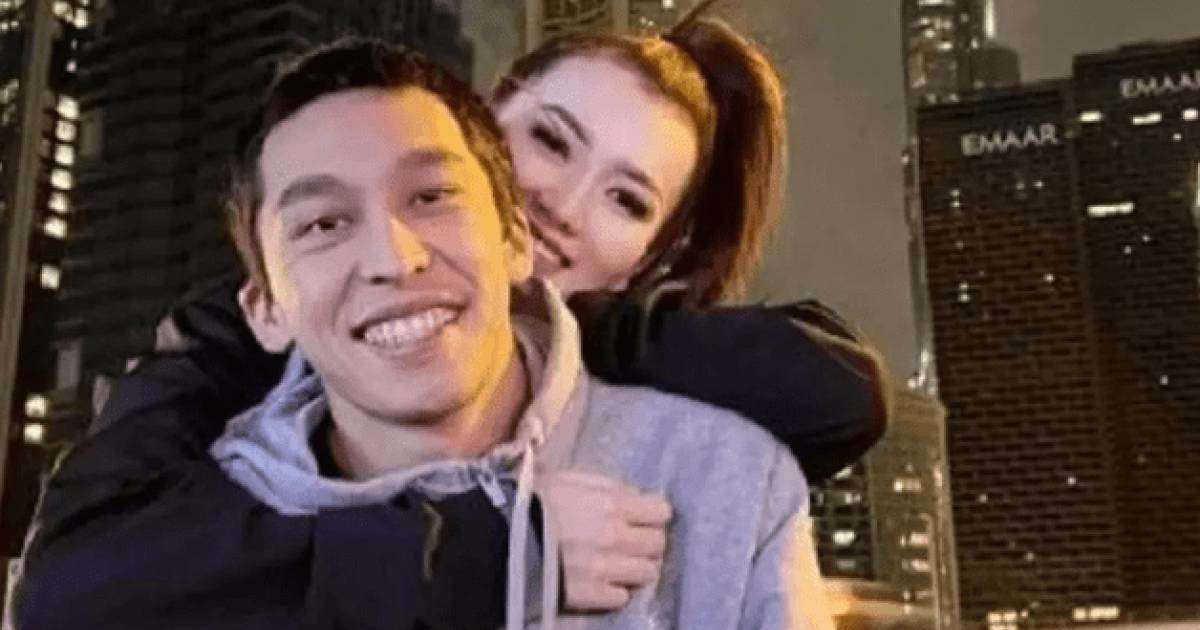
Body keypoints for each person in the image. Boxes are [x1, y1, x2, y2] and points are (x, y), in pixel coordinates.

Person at [23, 2, 881, 624]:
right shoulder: (228, 357)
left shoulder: (711, 465)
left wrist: (559, 320)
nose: (562, 207)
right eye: (549, 140)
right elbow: (75, 587)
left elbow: (836, 394)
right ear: (481, 118)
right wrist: (500, 552)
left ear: (649, 260)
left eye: (626, 199)